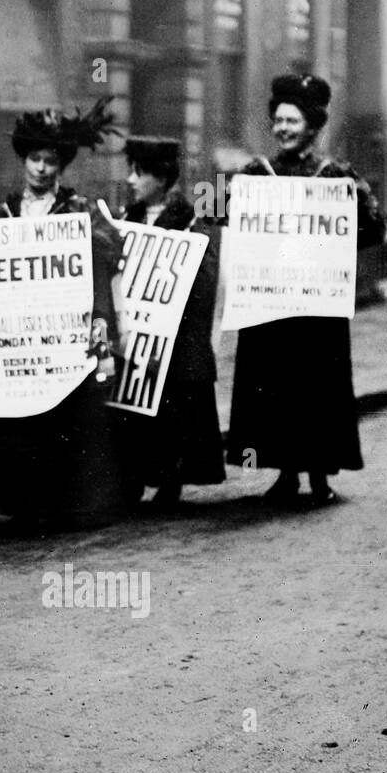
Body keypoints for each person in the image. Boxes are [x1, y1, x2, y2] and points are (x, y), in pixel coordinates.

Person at [0, 100, 128, 530]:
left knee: (64, 415)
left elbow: (106, 261)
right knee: (18, 416)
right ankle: (19, 501)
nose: (41, 169)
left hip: (62, 337)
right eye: (35, 159)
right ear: (23, 160)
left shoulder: (78, 212)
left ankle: (64, 502)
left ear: (61, 165)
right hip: (18, 337)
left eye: (50, 161)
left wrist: (101, 329)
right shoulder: (3, 215)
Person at [225, 74, 384, 506]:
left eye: (292, 121)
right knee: (273, 385)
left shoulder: (336, 177)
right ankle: (285, 472)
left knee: (317, 386)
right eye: (278, 120)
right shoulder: (255, 174)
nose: (283, 128)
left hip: (317, 306)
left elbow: (372, 227)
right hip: (270, 303)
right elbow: (230, 220)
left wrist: (335, 237)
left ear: (312, 126)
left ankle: (318, 474)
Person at [117, 135, 224, 506]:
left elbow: (203, 279)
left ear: (161, 179)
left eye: (139, 173)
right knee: (130, 406)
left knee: (170, 408)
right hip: (135, 331)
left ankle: (169, 477)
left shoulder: (189, 221)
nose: (131, 180)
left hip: (173, 338)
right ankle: (132, 476)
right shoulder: (126, 217)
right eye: (131, 171)